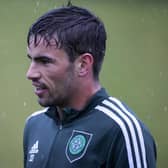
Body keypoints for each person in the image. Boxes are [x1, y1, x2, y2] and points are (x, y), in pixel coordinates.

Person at [23, 4, 157, 168]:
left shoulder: (122, 131)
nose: (30, 74)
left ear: (83, 65)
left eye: (45, 61)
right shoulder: (34, 125)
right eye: (31, 59)